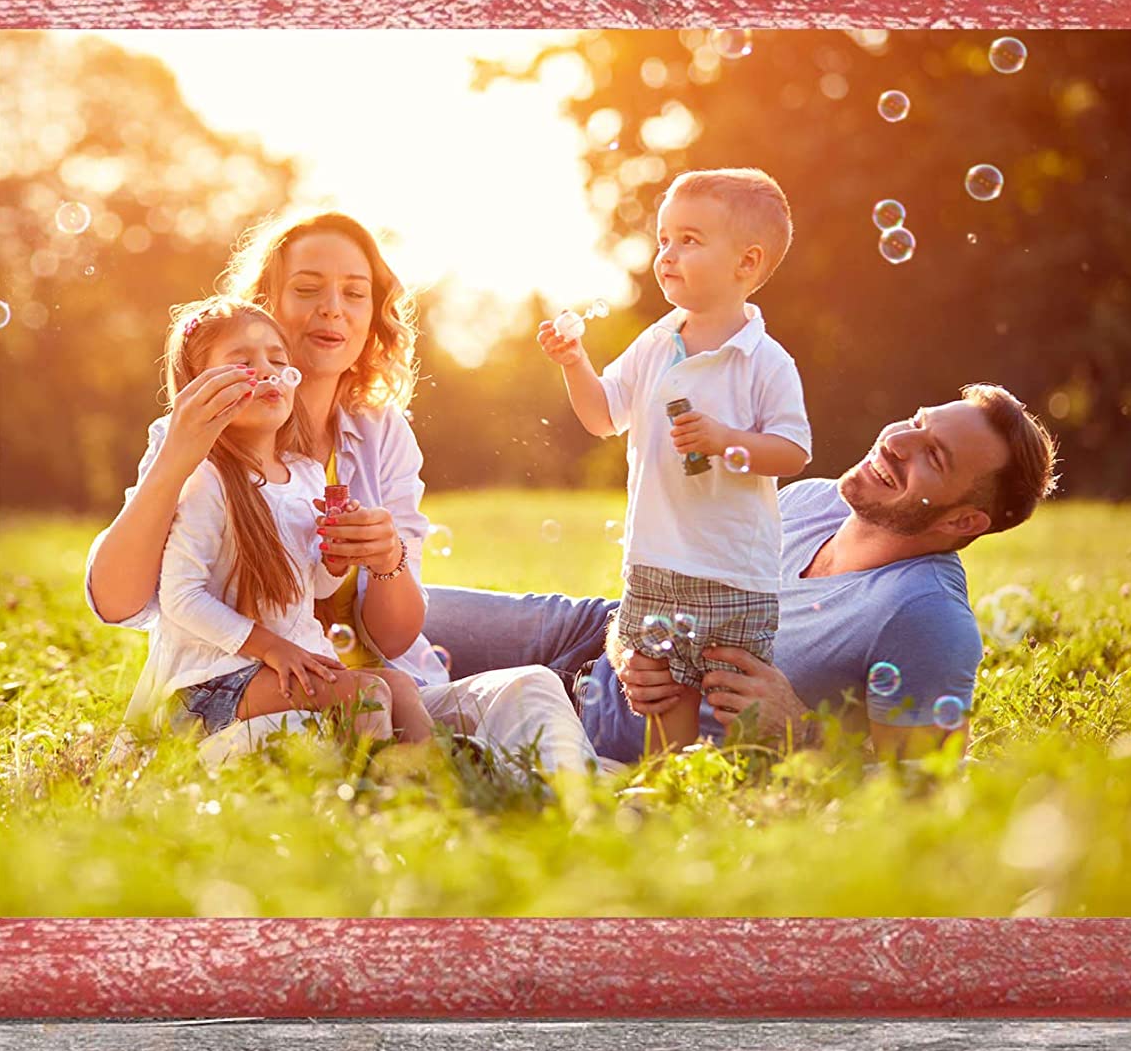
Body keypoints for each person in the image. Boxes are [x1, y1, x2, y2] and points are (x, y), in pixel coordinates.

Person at [87, 209, 602, 773]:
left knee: (531, 688)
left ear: (372, 317)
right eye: (307, 288)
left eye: (355, 294)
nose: (333, 307)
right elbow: (118, 602)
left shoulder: (381, 434)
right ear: (265, 306)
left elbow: (396, 630)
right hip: (257, 695)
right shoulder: (195, 437)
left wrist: (385, 560)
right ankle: (467, 785)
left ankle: (585, 809)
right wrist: (175, 461)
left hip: (368, 680)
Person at [423, 385, 1059, 763]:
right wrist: (624, 643)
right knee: (379, 606)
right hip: (593, 633)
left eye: (934, 456)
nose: (898, 442)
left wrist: (800, 733)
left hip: (623, 732)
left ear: (962, 522)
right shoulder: (813, 500)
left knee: (395, 711)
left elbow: (924, 797)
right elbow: (671, 583)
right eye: (918, 423)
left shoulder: (926, 619)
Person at [537, 169, 810, 751]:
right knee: (662, 693)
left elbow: (792, 450)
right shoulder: (656, 343)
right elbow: (604, 416)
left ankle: (746, 792)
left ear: (746, 263)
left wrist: (724, 439)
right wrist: (574, 364)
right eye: (664, 239)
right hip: (656, 559)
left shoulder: (764, 360)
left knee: (736, 700)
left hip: (733, 570)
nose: (667, 253)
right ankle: (672, 792)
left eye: (689, 240)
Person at [119, 296, 434, 750]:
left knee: (400, 688)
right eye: (243, 362)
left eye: (278, 359)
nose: (268, 372)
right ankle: (374, 795)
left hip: (281, 664)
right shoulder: (207, 479)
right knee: (366, 694)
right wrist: (271, 647)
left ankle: (435, 783)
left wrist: (336, 559)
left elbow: (319, 590)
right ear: (201, 387)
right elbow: (180, 597)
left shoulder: (305, 473)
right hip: (212, 679)